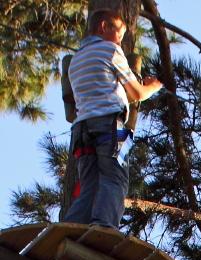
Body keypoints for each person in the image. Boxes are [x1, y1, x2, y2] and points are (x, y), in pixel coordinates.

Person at [63, 9, 163, 230]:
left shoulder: (77, 60)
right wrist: (154, 86)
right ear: (103, 27)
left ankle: (70, 228)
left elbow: (103, 87)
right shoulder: (110, 49)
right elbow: (137, 93)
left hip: (81, 130)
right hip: (111, 124)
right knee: (116, 178)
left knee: (90, 185)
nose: (120, 40)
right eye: (119, 33)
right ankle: (105, 227)